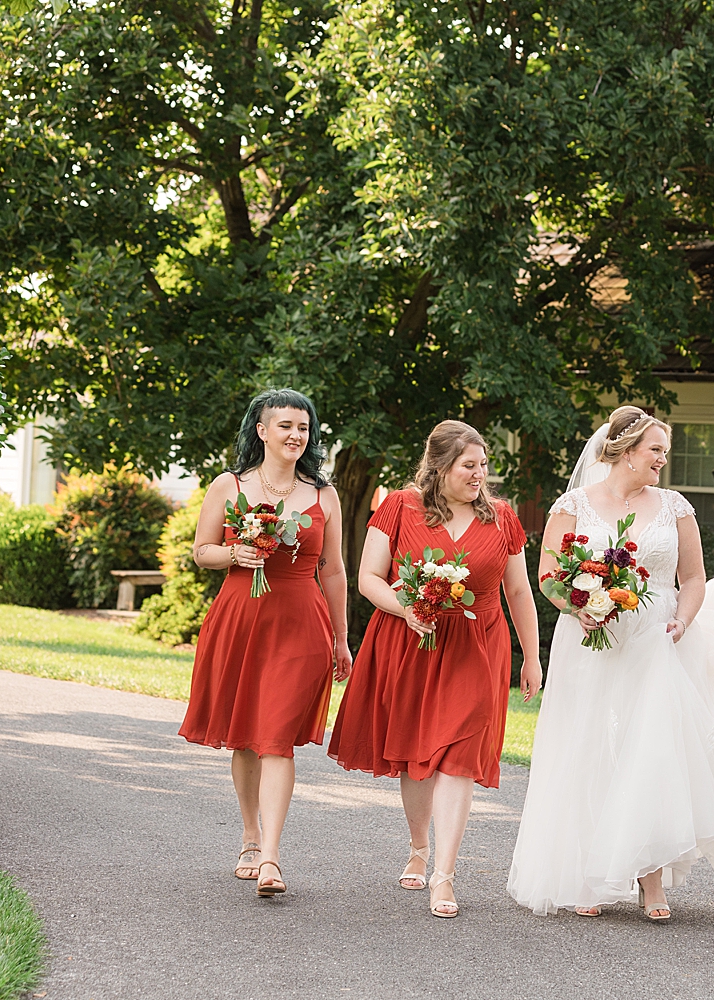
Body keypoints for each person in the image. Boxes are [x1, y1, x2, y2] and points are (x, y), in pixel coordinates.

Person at [507, 407, 714, 920]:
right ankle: (590, 875)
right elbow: (549, 574)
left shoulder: (675, 507)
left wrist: (681, 621)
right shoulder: (573, 505)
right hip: (591, 637)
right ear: (626, 451)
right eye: (656, 450)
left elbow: (695, 578)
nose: (664, 458)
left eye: (663, 450)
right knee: (589, 744)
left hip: (658, 638)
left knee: (651, 748)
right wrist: (579, 605)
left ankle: (650, 876)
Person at [329, 420, 540, 918]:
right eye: (469, 465)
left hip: (477, 646)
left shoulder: (503, 517)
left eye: (484, 465)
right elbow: (368, 578)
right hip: (414, 643)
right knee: (419, 752)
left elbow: (518, 592)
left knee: (459, 755)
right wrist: (407, 608)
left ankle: (443, 875)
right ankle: (419, 846)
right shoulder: (400, 507)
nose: (479, 475)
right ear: (440, 466)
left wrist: (531, 656)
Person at [179, 389, 353, 898]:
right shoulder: (229, 485)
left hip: (301, 624)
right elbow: (201, 551)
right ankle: (250, 836)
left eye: (303, 427)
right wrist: (235, 552)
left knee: (276, 736)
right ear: (261, 430)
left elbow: (334, 568)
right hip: (241, 617)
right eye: (285, 426)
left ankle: (273, 858)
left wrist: (342, 638)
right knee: (246, 735)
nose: (296, 435)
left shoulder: (324, 495)